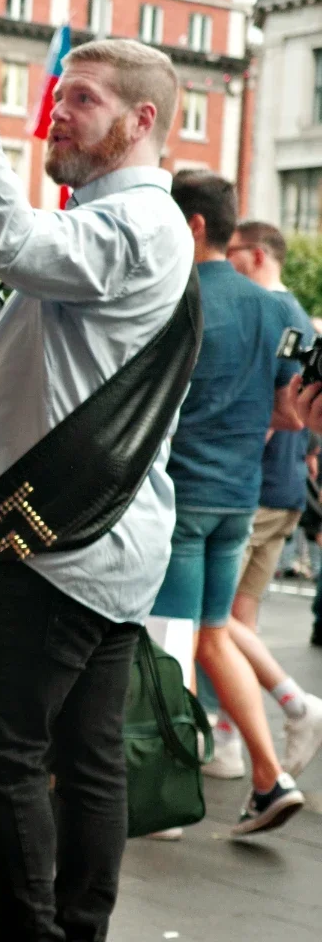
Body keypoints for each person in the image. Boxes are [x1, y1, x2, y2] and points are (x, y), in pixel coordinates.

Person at [0, 24, 194, 942]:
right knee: (86, 763)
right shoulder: (126, 223)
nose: (57, 114)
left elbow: (17, 245)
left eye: (82, 98)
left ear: (142, 120)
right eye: (58, 95)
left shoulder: (138, 223)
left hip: (60, 548)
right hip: (97, 545)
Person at [149, 175, 305, 835]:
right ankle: (270, 778)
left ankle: (167, 795)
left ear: (193, 226)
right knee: (214, 635)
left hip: (181, 492)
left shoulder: (177, 295)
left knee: (172, 641)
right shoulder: (271, 308)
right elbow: (296, 409)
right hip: (239, 495)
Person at [198, 220, 322, 783]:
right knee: (234, 619)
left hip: (257, 487)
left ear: (254, 255)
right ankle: (228, 737)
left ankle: (283, 709)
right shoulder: (292, 315)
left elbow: (287, 412)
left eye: (233, 252)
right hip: (280, 488)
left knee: (214, 621)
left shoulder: (268, 312)